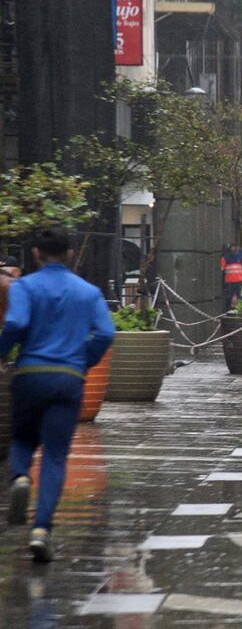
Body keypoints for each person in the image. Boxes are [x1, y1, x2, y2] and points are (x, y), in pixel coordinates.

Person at [0, 228, 115, 562]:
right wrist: (84, 359)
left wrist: (4, 352)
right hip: (68, 378)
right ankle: (41, 530)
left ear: (36, 254)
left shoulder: (25, 286)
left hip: (31, 374)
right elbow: (106, 333)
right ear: (68, 254)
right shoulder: (88, 292)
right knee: (54, 454)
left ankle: (20, 477)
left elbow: (17, 323)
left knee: (22, 439)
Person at [220, 245, 242, 311]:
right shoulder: (225, 258)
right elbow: (222, 268)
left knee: (239, 297)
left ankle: (239, 309)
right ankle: (228, 310)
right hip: (230, 281)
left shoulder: (241, 257)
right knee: (229, 297)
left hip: (238, 280)